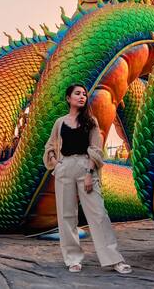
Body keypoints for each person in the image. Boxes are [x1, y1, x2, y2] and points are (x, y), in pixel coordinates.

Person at [42, 84, 132, 274]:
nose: (82, 97)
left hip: (85, 167)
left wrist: (89, 173)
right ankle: (73, 259)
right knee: (66, 216)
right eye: (78, 93)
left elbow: (96, 149)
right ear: (68, 98)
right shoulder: (60, 123)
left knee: (99, 214)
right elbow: (50, 146)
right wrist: (56, 165)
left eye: (84, 94)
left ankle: (114, 259)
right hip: (65, 168)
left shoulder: (91, 121)